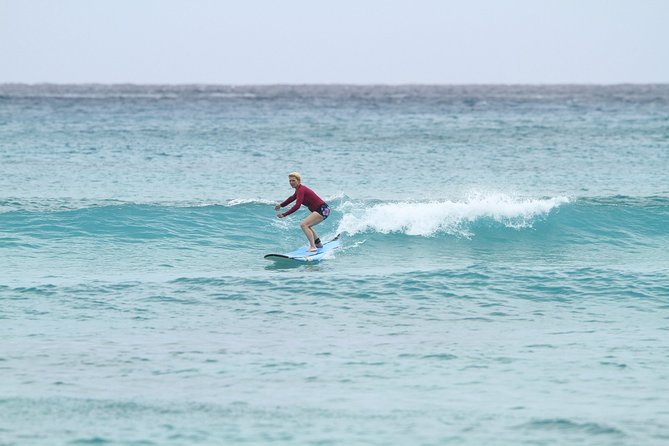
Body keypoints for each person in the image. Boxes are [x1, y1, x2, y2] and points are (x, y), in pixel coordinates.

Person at [275, 172, 331, 252]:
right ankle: (318, 244)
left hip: (322, 209)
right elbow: (291, 198)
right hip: (323, 209)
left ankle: (313, 247)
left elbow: (297, 206)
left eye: (293, 180)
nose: (291, 183)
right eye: (290, 181)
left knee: (304, 225)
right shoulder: (298, 190)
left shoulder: (301, 190)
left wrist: (284, 214)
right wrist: (281, 205)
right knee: (307, 226)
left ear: (299, 181)